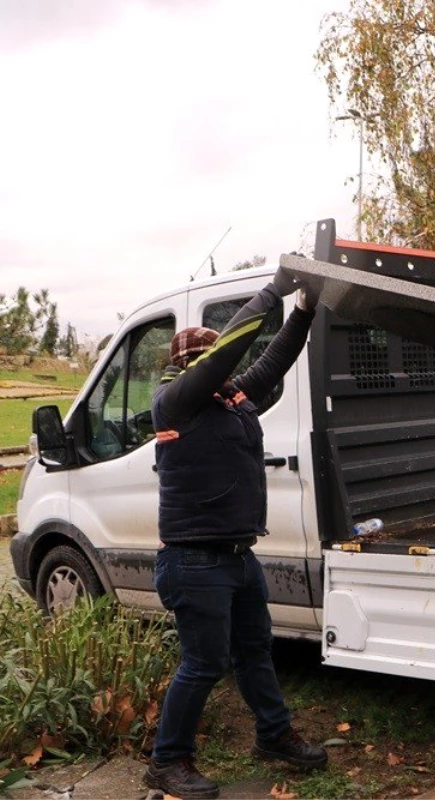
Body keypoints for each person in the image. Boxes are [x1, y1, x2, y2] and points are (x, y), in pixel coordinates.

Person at [144, 268, 327, 800]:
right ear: (191, 368)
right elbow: (229, 352)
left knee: (255, 651)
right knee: (203, 664)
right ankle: (167, 762)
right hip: (193, 559)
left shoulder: (228, 398)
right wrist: (273, 290)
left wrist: (304, 311)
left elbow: (270, 364)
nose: (229, 372)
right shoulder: (177, 402)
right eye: (213, 364)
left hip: (237, 555)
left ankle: (273, 737)